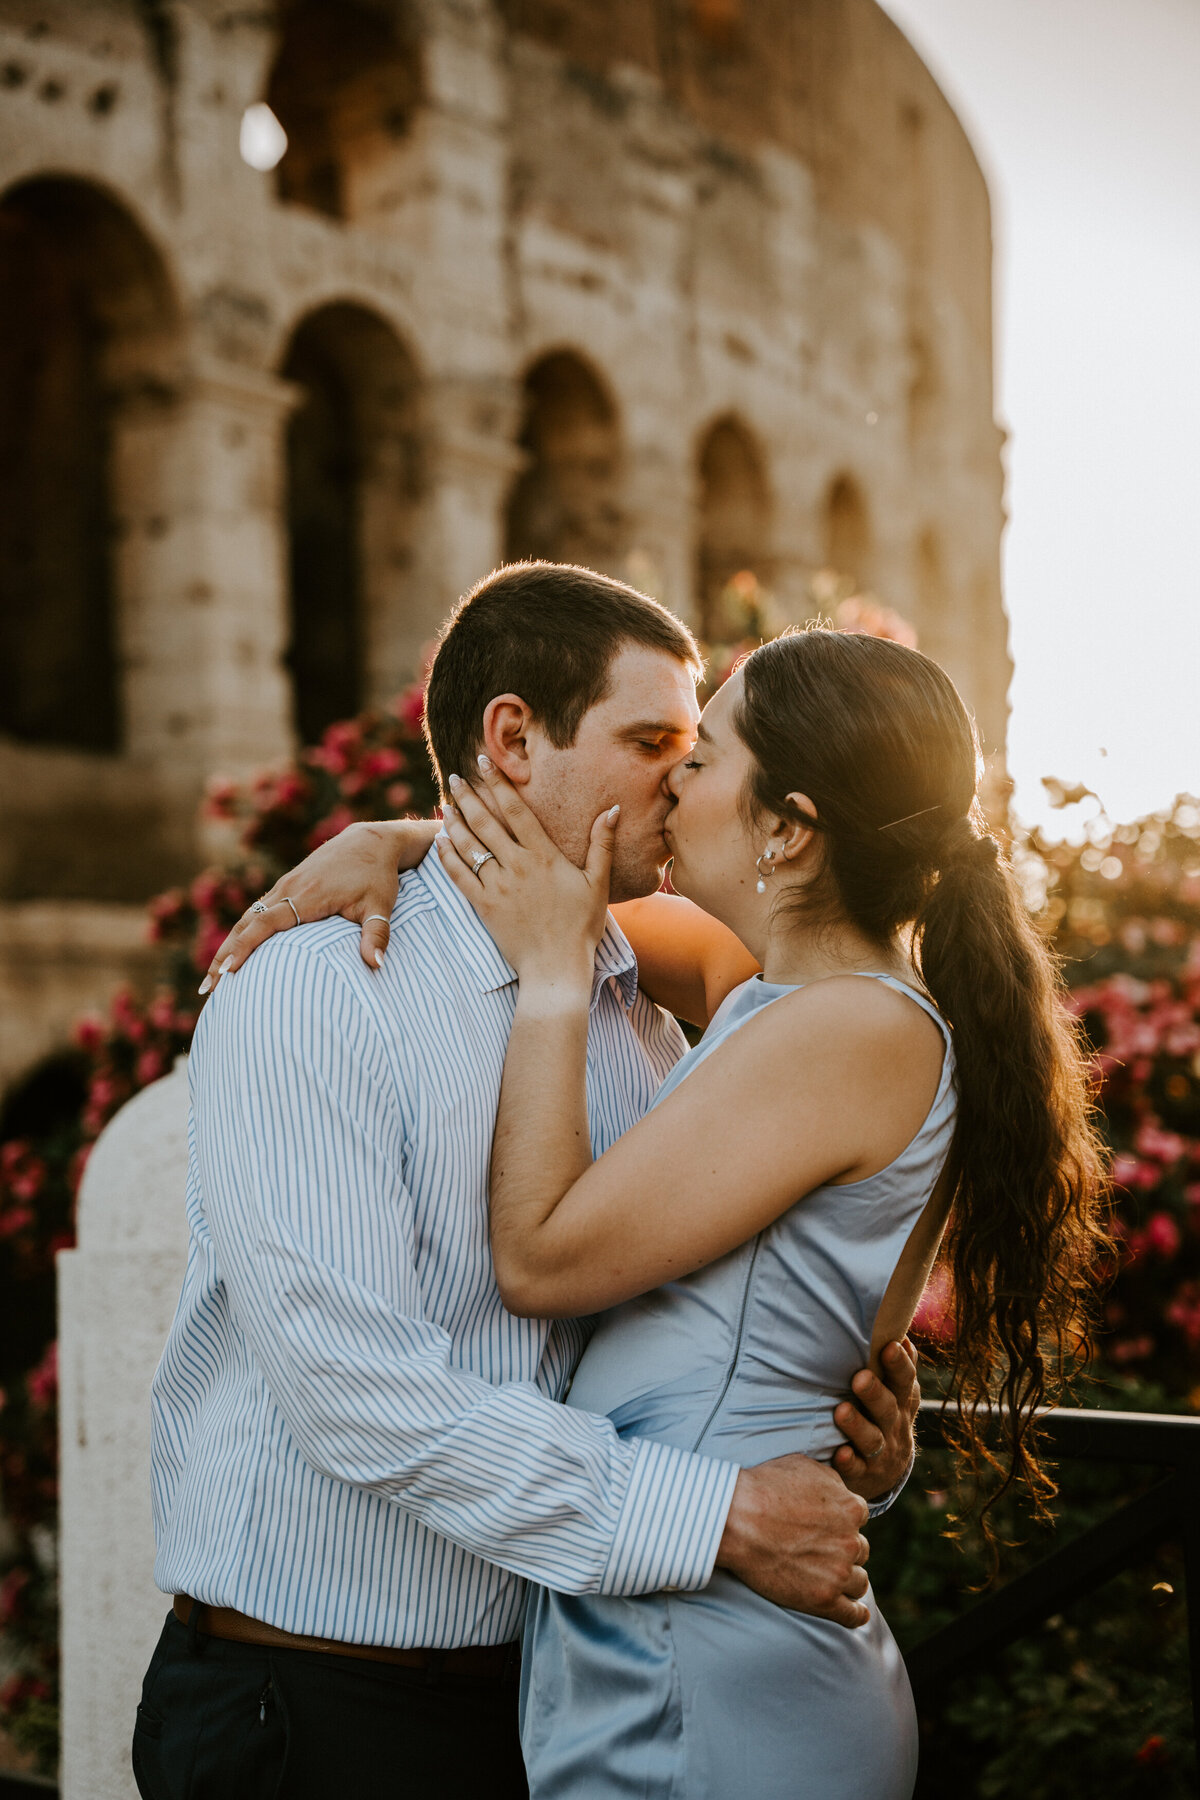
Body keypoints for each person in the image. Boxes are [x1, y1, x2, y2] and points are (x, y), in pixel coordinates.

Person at [238, 620, 1109, 1797]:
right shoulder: (776, 988)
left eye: (701, 758)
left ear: (789, 829)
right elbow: (549, 891)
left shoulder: (850, 1027)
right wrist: (396, 839)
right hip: (673, 1616)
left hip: (707, 1651)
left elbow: (541, 1260)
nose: (672, 783)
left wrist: (555, 980)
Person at [135, 565, 920, 1800]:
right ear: (511, 740)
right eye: (651, 743)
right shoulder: (318, 989)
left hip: (560, 1699)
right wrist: (718, 1515)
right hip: (320, 1709)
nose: (682, 779)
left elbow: (668, 1330)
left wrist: (833, 1424)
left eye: (695, 749)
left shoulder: (643, 1004)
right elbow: (358, 1391)